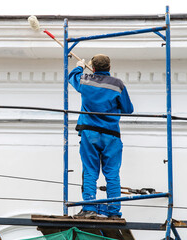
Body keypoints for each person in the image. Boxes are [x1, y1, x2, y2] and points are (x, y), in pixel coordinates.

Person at [69, 54, 134, 219]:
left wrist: (80, 66)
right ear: (109, 68)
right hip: (111, 135)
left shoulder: (85, 80)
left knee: (90, 170)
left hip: (89, 133)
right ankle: (114, 212)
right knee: (112, 173)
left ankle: (89, 207)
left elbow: (71, 77)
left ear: (94, 68)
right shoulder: (117, 85)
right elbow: (128, 109)